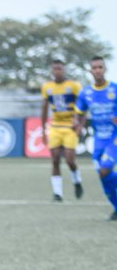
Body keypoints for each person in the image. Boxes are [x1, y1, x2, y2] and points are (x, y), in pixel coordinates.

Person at [75, 55, 117, 219]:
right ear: (90, 71)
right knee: (103, 176)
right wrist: (77, 125)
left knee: (105, 168)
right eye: (94, 68)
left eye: (100, 67)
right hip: (98, 140)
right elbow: (79, 113)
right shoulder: (85, 93)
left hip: (114, 138)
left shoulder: (114, 89)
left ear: (105, 69)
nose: (97, 70)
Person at [40, 59, 83, 202]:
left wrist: (79, 123)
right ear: (52, 71)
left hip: (70, 127)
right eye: (55, 69)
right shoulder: (47, 87)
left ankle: (76, 180)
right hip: (55, 127)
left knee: (70, 160)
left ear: (64, 70)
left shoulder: (74, 85)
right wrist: (43, 130)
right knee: (55, 160)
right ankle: (57, 193)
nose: (57, 71)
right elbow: (45, 109)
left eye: (60, 69)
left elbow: (82, 106)